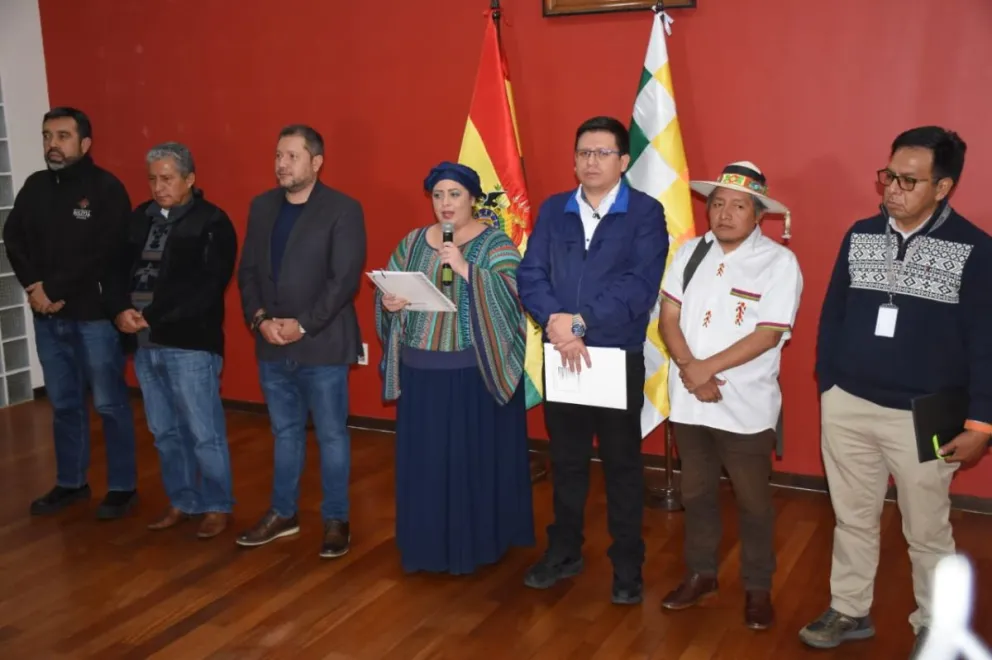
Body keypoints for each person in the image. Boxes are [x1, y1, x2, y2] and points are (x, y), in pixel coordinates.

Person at [800, 126, 992, 657]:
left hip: (925, 413)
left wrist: (981, 423)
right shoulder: (860, 234)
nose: (893, 189)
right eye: (889, 176)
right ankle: (849, 608)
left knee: (927, 528)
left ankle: (936, 622)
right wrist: (829, 383)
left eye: (910, 181)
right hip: (849, 404)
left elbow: (986, 342)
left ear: (943, 187)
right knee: (852, 517)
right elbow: (832, 314)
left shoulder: (974, 250)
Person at [516, 116, 669, 604]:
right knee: (567, 461)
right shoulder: (554, 209)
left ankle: (627, 566)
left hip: (615, 357)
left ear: (623, 161)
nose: (591, 162)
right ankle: (564, 551)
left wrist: (577, 323)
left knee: (622, 466)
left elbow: (639, 286)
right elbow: (531, 273)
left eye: (602, 153)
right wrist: (558, 323)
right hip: (563, 356)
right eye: (583, 152)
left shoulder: (645, 213)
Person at [657, 161, 803, 629]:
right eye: (717, 203)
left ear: (758, 214)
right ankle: (701, 574)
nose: (724, 213)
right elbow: (668, 318)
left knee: (753, 502)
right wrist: (690, 370)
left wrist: (706, 369)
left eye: (738, 205)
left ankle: (758, 587)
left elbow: (768, 334)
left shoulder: (778, 263)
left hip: (747, 407)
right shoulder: (688, 253)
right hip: (690, 399)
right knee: (696, 493)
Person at [375, 161, 535, 575]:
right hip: (420, 373)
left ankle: (474, 543)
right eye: (437, 195)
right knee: (427, 465)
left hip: (472, 377)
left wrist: (466, 270)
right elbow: (389, 294)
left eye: (455, 195)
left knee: (467, 464)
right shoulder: (412, 243)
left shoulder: (496, 244)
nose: (445, 204)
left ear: (473, 199)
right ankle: (425, 543)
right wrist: (390, 303)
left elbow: (514, 299)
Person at [236, 124, 366, 558]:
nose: (281, 164)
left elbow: (342, 280)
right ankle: (283, 513)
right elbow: (249, 272)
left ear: (316, 162)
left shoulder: (342, 209)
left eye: (291, 156)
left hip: (321, 344)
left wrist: (302, 325)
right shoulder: (261, 207)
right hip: (272, 342)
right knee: (284, 432)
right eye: (277, 155)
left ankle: (335, 519)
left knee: (331, 435)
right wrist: (259, 320)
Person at [2, 107, 138, 519]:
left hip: (94, 317)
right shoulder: (35, 186)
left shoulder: (106, 189)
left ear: (85, 144)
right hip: (48, 317)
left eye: (62, 136)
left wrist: (54, 288)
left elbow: (104, 253)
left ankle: (122, 487)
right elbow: (13, 237)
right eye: (47, 136)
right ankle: (71, 482)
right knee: (63, 404)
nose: (52, 144)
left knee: (111, 404)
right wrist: (33, 288)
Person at [104, 142, 238, 539]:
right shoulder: (138, 219)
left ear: (190, 179)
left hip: (190, 343)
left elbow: (208, 286)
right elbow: (113, 271)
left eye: (167, 178)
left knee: (202, 430)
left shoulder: (212, 221)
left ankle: (217, 504)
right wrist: (118, 311)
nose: (158, 187)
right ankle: (183, 499)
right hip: (144, 342)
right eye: (153, 179)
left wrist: (152, 315)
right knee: (164, 431)